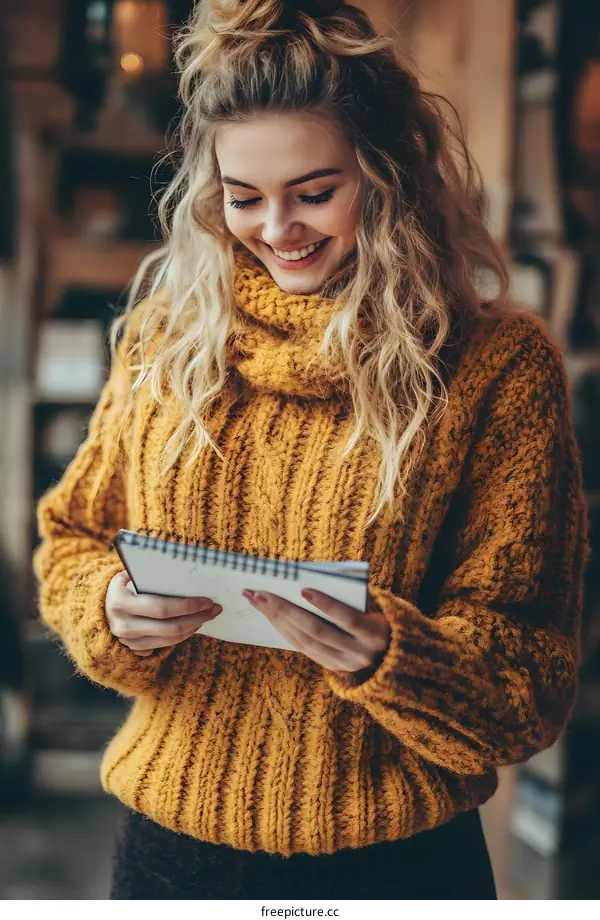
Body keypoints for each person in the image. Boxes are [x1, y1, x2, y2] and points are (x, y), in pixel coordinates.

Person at [34, 0, 588, 901]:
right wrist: (107, 609)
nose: (277, 229)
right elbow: (71, 541)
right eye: (243, 198)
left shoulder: (496, 369)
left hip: (398, 864)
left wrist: (388, 657)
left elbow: (530, 679)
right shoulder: (167, 339)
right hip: (171, 852)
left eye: (315, 192)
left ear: (388, 174)